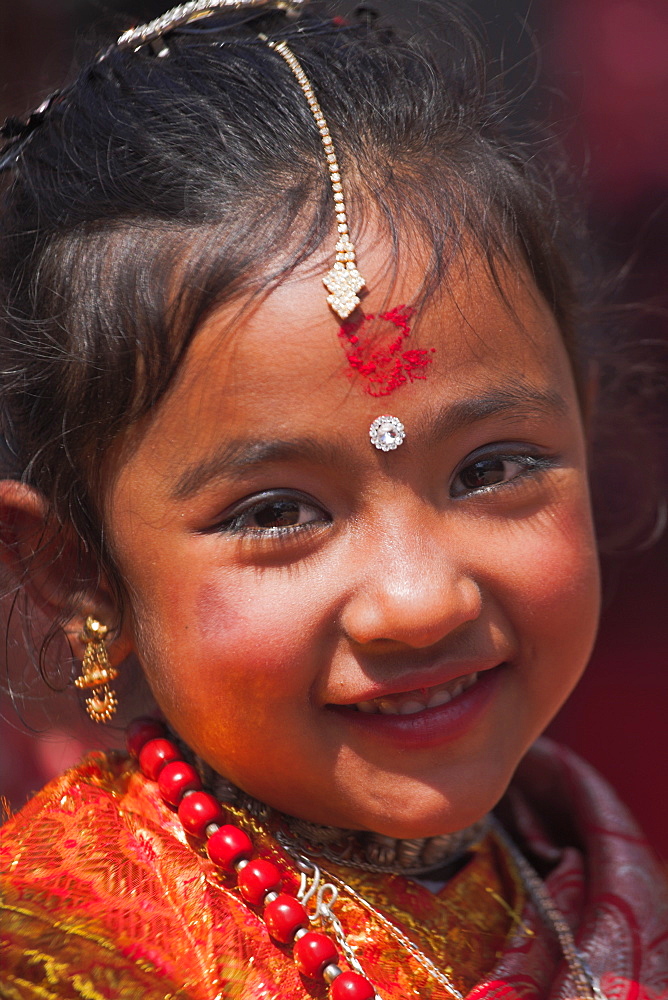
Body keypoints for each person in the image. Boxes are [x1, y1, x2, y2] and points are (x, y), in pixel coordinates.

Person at [0, 1, 666, 997]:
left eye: (489, 468)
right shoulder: (72, 946)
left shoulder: (583, 859)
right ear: (76, 572)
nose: (418, 599)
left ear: (586, 415)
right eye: (276, 512)